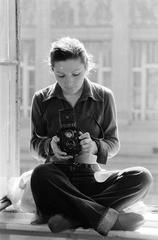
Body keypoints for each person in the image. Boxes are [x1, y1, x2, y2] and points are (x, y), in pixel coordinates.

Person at [30, 36, 152, 236]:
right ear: (52, 69)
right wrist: (49, 147)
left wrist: (95, 147)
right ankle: (109, 219)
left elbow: (113, 143)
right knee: (40, 175)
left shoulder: (104, 96)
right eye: (60, 75)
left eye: (76, 74)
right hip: (58, 180)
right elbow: (35, 145)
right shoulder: (41, 99)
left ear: (87, 67)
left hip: (91, 178)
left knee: (142, 177)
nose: (69, 82)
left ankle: (72, 218)